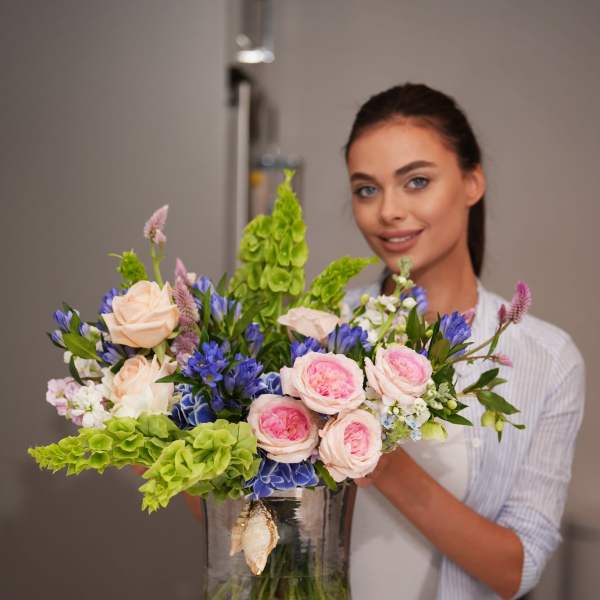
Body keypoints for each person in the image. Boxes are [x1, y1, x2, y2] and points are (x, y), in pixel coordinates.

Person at [343, 83, 585, 600]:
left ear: (473, 181)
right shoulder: (323, 331)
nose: (388, 211)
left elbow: (516, 569)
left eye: (416, 181)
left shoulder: (545, 360)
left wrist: (379, 459)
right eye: (366, 189)